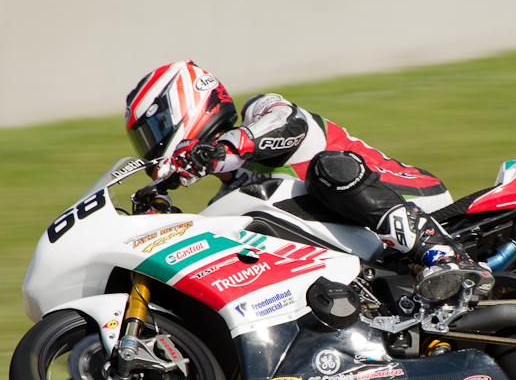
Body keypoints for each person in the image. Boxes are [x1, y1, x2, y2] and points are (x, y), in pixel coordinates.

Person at [124, 60, 492, 303]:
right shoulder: (235, 190)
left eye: (152, 132)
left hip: (414, 197)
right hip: (368, 245)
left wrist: (217, 151)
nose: (151, 146)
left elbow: (286, 125)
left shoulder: (263, 110)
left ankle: (443, 256)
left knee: (324, 169)